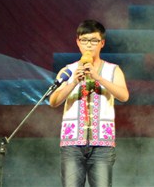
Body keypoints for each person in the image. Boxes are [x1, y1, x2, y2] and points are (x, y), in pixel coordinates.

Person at [49, 20, 129, 187]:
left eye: (93, 40)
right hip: (72, 144)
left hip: (102, 145)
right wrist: (73, 82)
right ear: (78, 42)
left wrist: (98, 78)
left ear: (102, 43)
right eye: (84, 40)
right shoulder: (68, 71)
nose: (88, 45)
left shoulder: (113, 70)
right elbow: (53, 101)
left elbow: (124, 96)